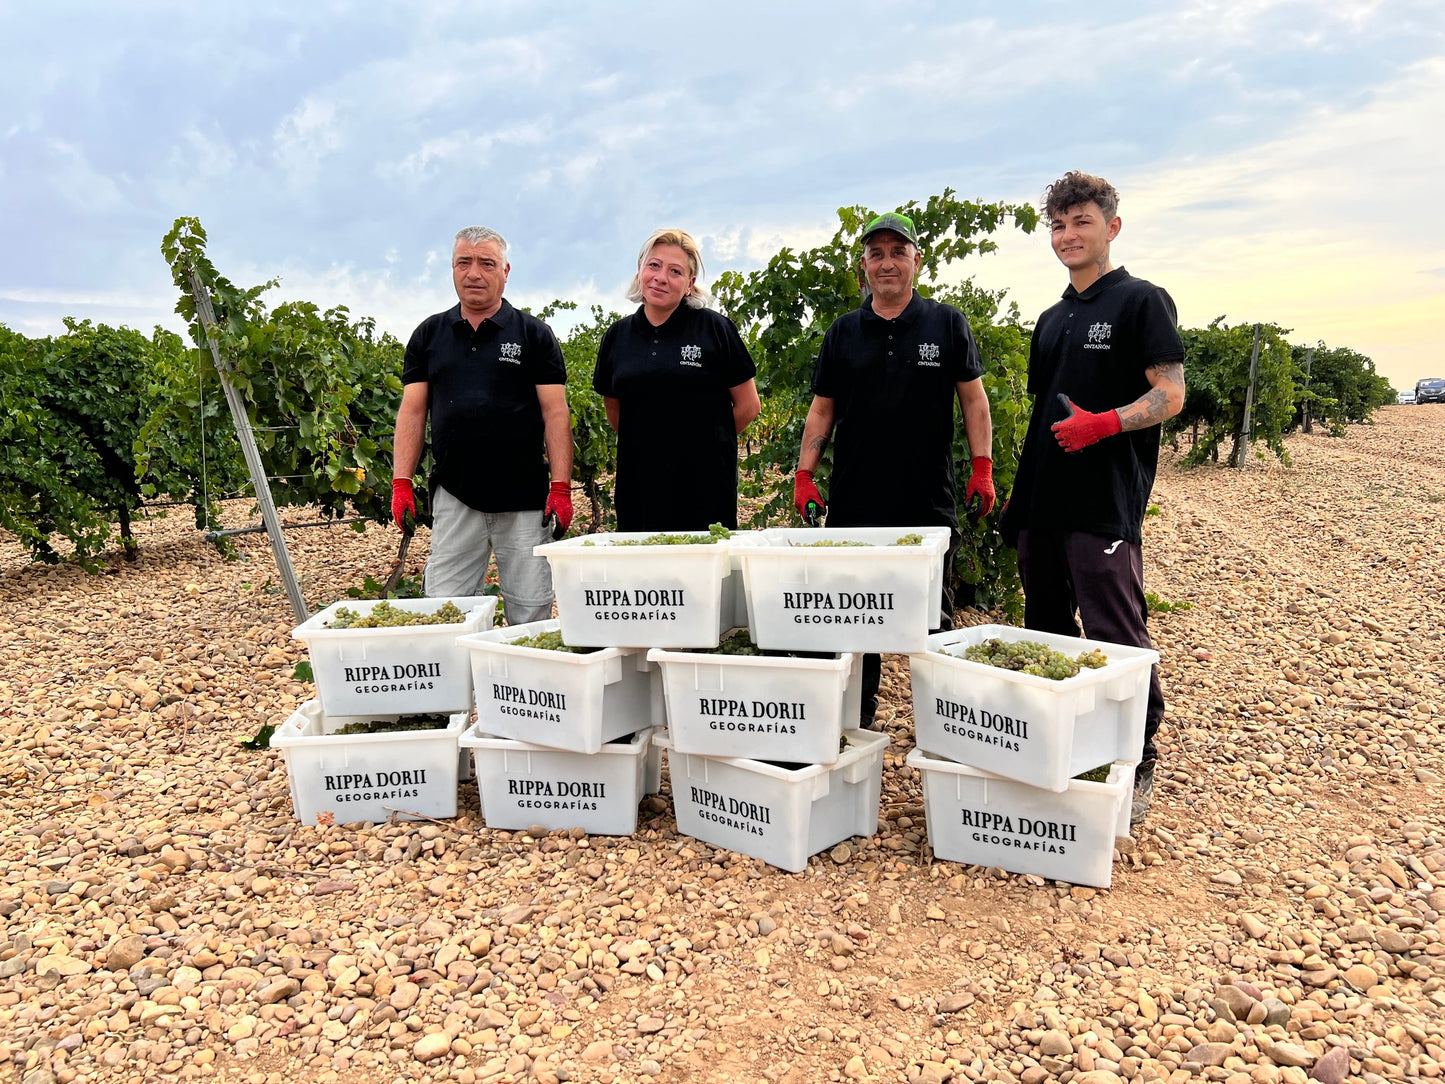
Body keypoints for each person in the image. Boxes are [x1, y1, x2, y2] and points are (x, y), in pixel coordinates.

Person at [999, 171, 1186, 825]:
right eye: (1056, 225)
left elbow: (1169, 394)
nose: (1066, 235)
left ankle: (1136, 758)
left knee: (1115, 634)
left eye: (1079, 221)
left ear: (1110, 226)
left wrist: (1103, 423)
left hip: (1102, 501)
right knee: (1046, 631)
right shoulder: (1051, 319)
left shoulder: (1141, 301)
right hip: (1042, 500)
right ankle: (1068, 747)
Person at [793, 212, 996, 728]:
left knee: (935, 625)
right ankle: (851, 727)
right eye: (876, 254)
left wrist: (983, 467)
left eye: (897, 252)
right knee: (852, 618)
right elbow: (822, 410)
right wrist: (804, 474)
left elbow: (974, 402)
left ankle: (947, 733)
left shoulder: (947, 324)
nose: (887, 263)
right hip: (857, 505)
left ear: (916, 261)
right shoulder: (843, 332)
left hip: (927, 503)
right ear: (863, 267)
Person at [390, 226, 573, 623]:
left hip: (525, 499)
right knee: (446, 607)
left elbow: (555, 413)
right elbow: (413, 411)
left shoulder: (533, 334)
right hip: (456, 495)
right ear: (452, 269)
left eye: (486, 263)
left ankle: (527, 681)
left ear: (505, 271)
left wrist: (560, 487)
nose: (474, 273)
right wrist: (401, 481)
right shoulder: (428, 335)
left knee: (531, 608)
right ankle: (461, 685)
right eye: (464, 262)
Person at [593, 229, 760, 531]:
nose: (660, 278)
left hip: (704, 485)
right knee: (644, 572)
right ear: (640, 270)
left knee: (704, 569)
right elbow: (615, 410)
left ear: (689, 284)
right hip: (639, 484)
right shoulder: (617, 337)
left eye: (675, 271)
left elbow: (749, 405)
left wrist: (704, 442)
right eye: (654, 266)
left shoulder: (715, 329)